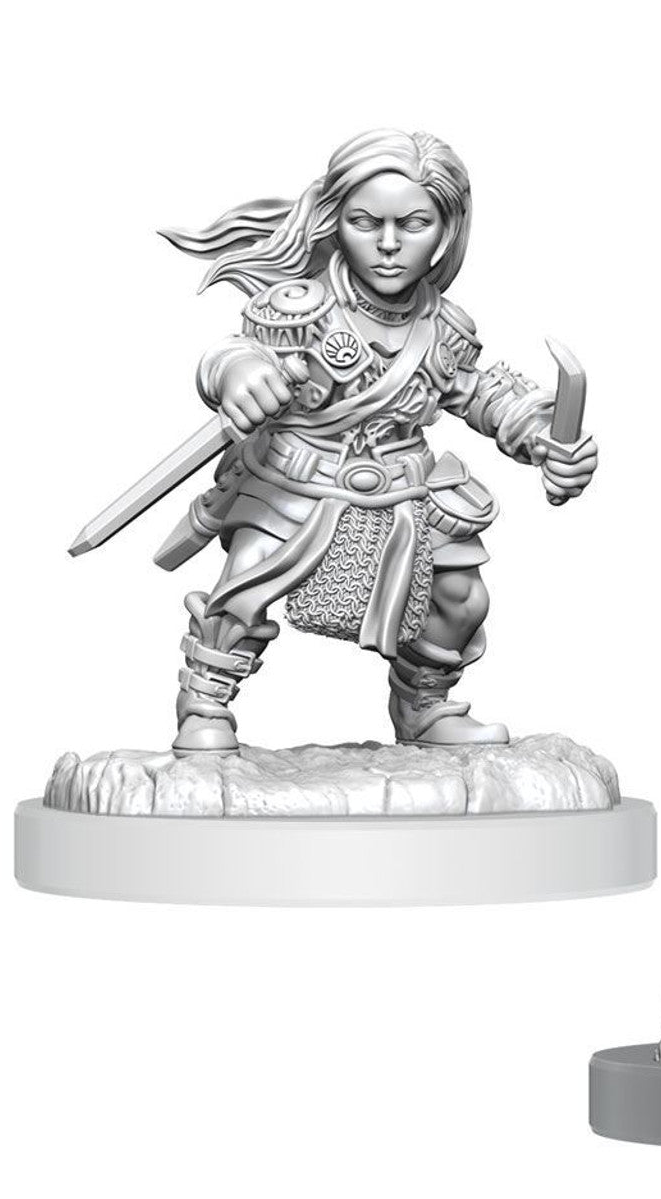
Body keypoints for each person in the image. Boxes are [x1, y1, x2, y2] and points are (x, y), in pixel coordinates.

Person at [156, 129, 597, 753]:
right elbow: (234, 353)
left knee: (460, 597)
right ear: (337, 221)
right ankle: (204, 704)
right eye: (367, 223)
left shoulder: (444, 327)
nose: (389, 244)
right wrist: (238, 374)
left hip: (404, 487)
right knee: (243, 587)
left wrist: (543, 433)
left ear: (445, 229)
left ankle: (424, 707)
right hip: (296, 480)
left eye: (413, 224)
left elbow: (477, 390)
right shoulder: (298, 307)